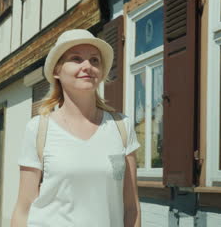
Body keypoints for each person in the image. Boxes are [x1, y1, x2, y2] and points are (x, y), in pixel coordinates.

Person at [11, 29, 141, 227]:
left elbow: (131, 208)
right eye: (76, 58)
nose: (87, 66)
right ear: (57, 71)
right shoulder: (38, 129)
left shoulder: (121, 127)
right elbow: (24, 208)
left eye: (94, 60)